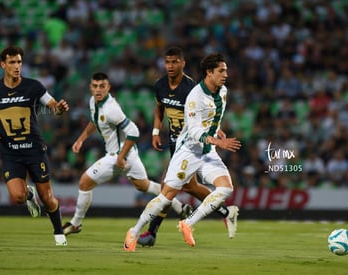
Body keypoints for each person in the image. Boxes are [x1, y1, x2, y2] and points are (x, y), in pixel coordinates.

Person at [124, 53, 242, 251]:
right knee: (166, 196)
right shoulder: (195, 96)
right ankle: (134, 232)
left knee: (226, 188)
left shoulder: (223, 91)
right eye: (221, 71)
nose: (225, 75)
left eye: (226, 71)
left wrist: (216, 131)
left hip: (207, 151)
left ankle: (188, 223)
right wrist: (216, 140)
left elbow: (214, 117)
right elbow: (194, 130)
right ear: (209, 73)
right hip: (188, 151)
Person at [62, 72, 190, 235]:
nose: (98, 89)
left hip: (118, 155)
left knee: (84, 183)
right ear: (90, 87)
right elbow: (95, 121)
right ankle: (181, 207)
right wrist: (81, 139)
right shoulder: (93, 102)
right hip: (130, 154)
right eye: (95, 86)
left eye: (102, 86)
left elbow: (134, 131)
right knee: (144, 185)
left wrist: (120, 158)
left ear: (108, 87)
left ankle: (75, 224)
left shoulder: (111, 109)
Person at [0, 46, 69, 246]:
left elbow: (52, 105)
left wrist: (59, 108)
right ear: (3, 65)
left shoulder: (34, 86)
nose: (17, 66)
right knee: (18, 197)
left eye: (19, 62)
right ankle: (28, 194)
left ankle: (58, 231)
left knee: (48, 197)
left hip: (34, 150)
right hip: (10, 152)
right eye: (12, 62)